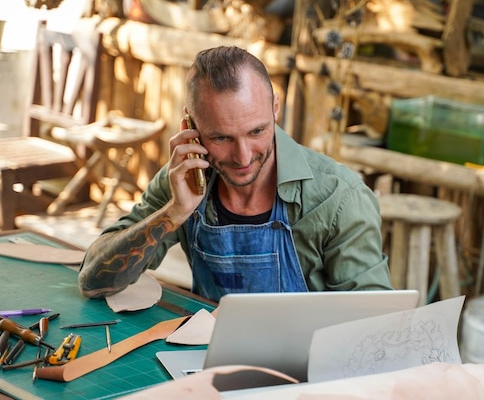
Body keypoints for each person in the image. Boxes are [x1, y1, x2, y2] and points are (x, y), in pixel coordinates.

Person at [78, 46, 392, 302]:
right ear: (191, 128)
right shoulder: (184, 180)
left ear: (275, 109)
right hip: (204, 359)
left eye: (257, 131)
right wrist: (174, 212)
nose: (243, 157)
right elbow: (93, 282)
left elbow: (369, 327)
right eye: (221, 138)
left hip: (306, 373)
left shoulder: (339, 198)